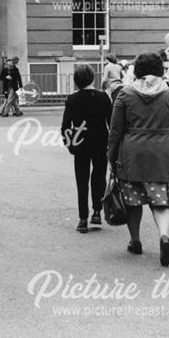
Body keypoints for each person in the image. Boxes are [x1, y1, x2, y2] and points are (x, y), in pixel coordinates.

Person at [107, 52, 169, 266]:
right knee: (161, 200)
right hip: (162, 152)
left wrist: (111, 156)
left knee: (133, 201)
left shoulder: (125, 94)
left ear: (137, 70)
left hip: (132, 152)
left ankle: (135, 240)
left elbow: (115, 130)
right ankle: (164, 236)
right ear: (160, 69)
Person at [61, 64, 112, 233]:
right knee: (99, 177)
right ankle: (97, 212)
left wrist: (70, 145)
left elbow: (65, 126)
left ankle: (82, 218)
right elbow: (111, 123)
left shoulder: (72, 99)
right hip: (100, 142)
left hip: (80, 143)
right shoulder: (104, 97)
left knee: (81, 181)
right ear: (92, 78)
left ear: (76, 81)